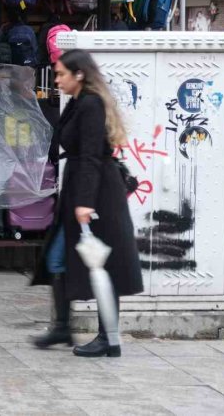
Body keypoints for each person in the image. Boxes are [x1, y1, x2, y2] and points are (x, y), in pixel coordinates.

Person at [31, 48, 143, 358]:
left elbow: (93, 155)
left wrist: (84, 203)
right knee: (58, 258)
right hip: (82, 189)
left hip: (96, 196)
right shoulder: (80, 102)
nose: (56, 80)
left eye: (60, 74)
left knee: (103, 267)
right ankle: (63, 327)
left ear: (78, 74)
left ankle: (108, 338)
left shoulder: (90, 105)